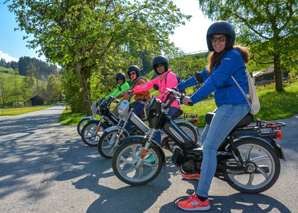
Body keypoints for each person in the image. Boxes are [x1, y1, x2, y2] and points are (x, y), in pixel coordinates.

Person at [176, 21, 251, 211]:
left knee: (209, 147)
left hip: (235, 106)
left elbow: (215, 81)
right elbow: (201, 76)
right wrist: (180, 86)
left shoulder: (232, 56)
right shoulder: (218, 58)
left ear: (228, 40)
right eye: (214, 39)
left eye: (221, 39)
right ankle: (202, 171)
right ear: (210, 41)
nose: (217, 42)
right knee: (204, 140)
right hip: (226, 106)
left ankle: (201, 199)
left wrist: (193, 99)